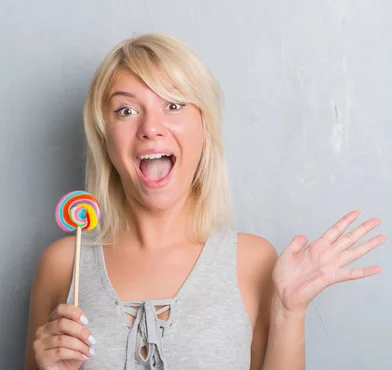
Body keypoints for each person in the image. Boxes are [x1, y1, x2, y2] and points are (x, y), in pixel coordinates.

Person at [24, 32, 385, 370]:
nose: (151, 127)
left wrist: (289, 311)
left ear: (204, 127)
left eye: (174, 104)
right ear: (105, 140)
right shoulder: (61, 265)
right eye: (126, 110)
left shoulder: (253, 262)